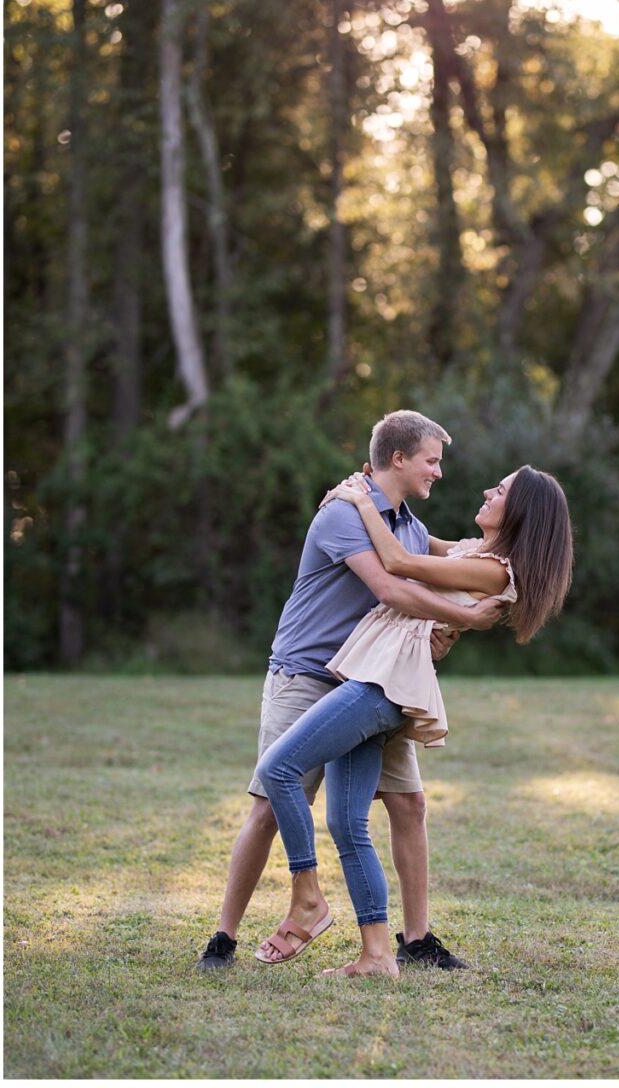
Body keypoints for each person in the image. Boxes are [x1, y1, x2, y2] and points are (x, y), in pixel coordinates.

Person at [195, 411, 503, 972]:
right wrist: (472, 620)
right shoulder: (344, 511)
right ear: (398, 459)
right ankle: (224, 937)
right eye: (432, 460)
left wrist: (455, 622)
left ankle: (414, 941)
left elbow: (438, 574)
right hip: (308, 675)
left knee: (408, 804)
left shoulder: (407, 526)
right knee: (269, 803)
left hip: (370, 685)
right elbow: (390, 587)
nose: (439, 472)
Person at [250, 463, 575, 977]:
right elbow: (421, 540)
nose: (489, 490)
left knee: (279, 769)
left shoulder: (496, 571)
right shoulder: (476, 553)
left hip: (382, 685)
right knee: (345, 821)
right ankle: (378, 955)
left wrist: (359, 503)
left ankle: (307, 897)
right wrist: (380, 497)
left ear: (523, 512)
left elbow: (400, 561)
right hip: (373, 677)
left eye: (503, 490)